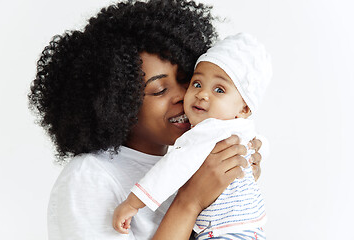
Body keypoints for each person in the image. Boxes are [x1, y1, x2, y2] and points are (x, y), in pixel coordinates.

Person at [28, 0, 263, 239]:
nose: (183, 96)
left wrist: (232, 186)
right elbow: (190, 202)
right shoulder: (89, 178)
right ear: (118, 102)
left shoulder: (186, 163)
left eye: (188, 80)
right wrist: (190, 201)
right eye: (160, 90)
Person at [113, 33, 271, 240]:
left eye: (219, 90)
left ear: (244, 108)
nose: (202, 94)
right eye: (196, 84)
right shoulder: (241, 129)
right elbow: (262, 145)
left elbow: (172, 168)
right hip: (253, 227)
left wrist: (133, 202)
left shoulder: (204, 134)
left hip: (221, 232)